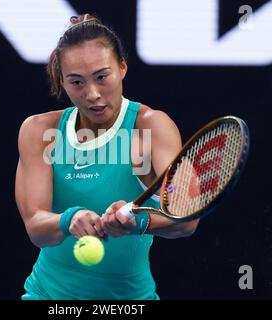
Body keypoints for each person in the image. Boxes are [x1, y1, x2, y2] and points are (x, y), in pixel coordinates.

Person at [15, 14, 199, 300]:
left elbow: (186, 219)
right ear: (62, 82)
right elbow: (36, 227)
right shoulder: (39, 131)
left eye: (102, 77)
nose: (92, 94)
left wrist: (137, 221)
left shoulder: (150, 127)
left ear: (122, 67)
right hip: (47, 296)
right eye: (76, 82)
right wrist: (68, 219)